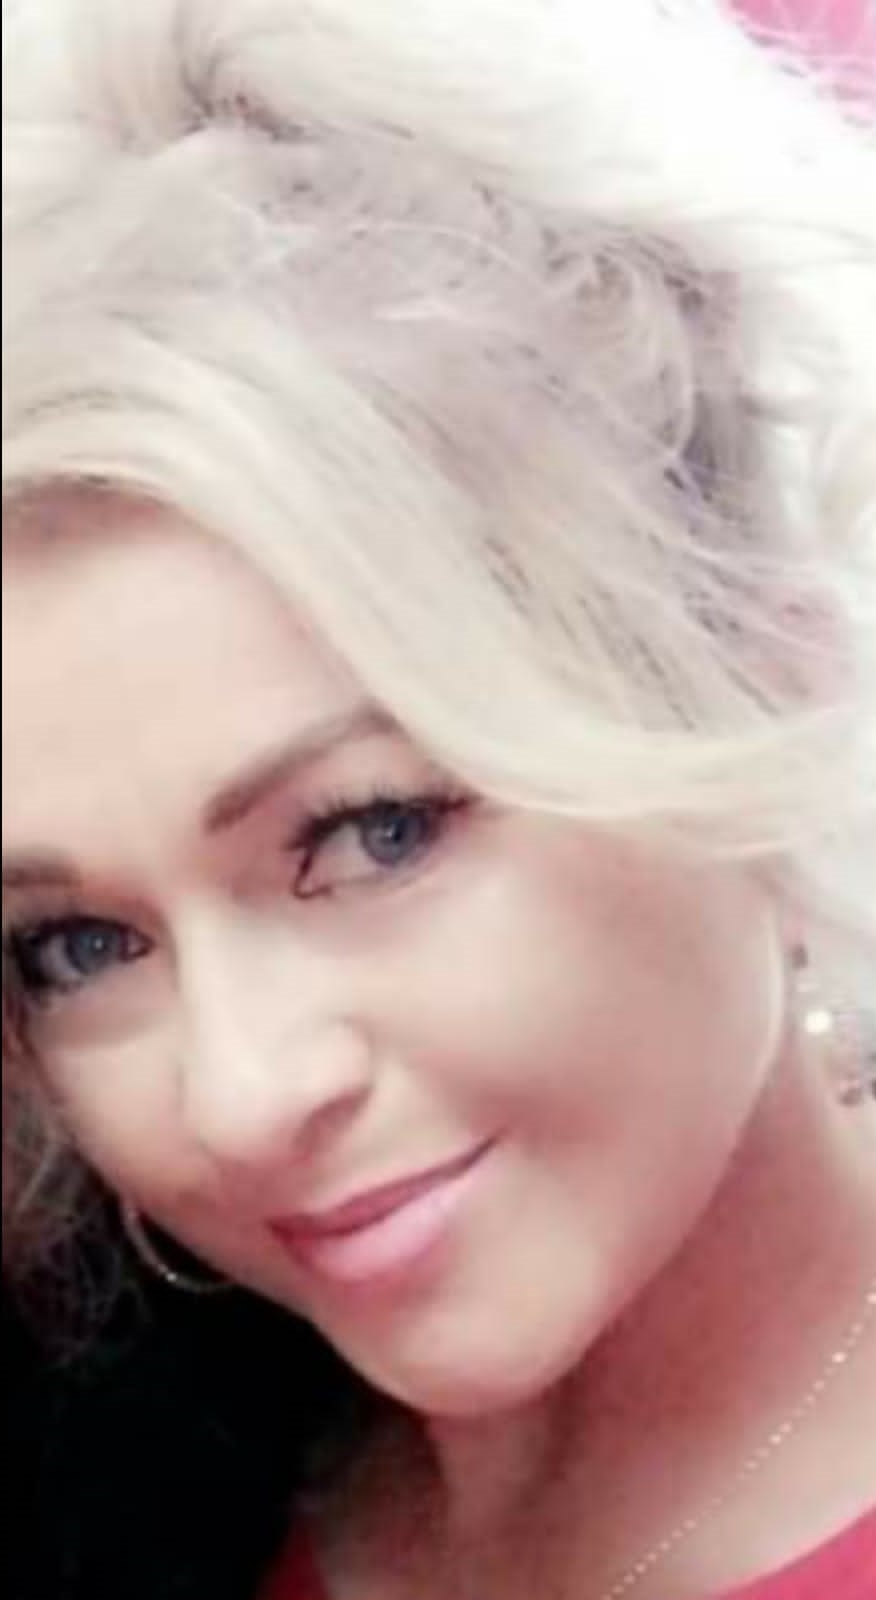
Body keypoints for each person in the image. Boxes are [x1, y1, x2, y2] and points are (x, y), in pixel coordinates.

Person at [3, 2, 875, 1597]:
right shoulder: (134, 1471)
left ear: (759, 659)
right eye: (79, 945)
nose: (237, 1099)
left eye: (370, 833)